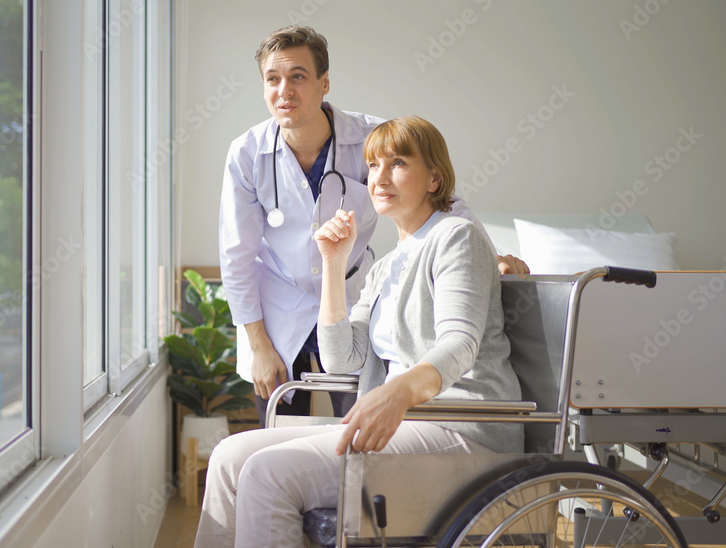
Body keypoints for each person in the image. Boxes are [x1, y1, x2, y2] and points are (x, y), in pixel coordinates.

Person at [191, 116, 524, 548]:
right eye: (372, 164)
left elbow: (460, 344)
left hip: (464, 429)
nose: (380, 176)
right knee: (230, 457)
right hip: (410, 425)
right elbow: (341, 359)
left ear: (434, 178)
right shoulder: (387, 264)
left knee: (269, 475)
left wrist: (398, 392)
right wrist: (333, 262)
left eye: (398, 163)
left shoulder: (455, 237)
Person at [219, 25, 527, 428]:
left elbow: (446, 201)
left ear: (324, 82)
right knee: (280, 430)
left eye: (298, 76)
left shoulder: (371, 139)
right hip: (278, 312)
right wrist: (258, 345)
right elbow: (236, 256)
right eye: (272, 79)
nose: (284, 90)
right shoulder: (247, 154)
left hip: (354, 299)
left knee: (364, 430)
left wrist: (489, 258)